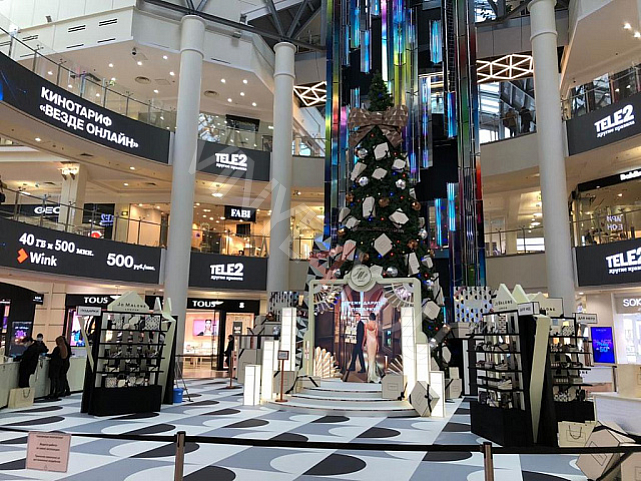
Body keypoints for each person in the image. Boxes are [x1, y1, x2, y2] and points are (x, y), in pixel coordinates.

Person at [365, 313, 380, 383]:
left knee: (369, 358)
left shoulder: (366, 325)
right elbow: (376, 336)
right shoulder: (376, 325)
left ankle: (369, 376)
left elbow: (365, 335)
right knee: (373, 358)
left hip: (368, 342)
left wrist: (363, 343)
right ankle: (372, 375)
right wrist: (378, 344)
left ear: (369, 318)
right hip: (374, 342)